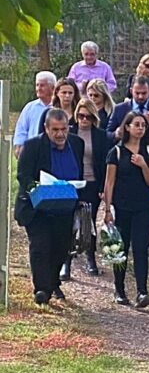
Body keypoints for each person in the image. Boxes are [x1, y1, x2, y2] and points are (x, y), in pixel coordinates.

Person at [15, 109, 85, 304]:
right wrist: (38, 189)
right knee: (40, 247)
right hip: (38, 208)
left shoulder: (77, 144)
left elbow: (80, 172)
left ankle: (53, 282)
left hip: (64, 207)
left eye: (63, 129)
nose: (60, 134)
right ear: (46, 128)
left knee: (61, 248)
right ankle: (42, 290)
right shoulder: (33, 146)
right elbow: (23, 176)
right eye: (55, 130)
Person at [104, 111, 149, 307]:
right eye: (136, 125)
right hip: (123, 207)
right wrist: (108, 209)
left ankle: (142, 291)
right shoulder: (116, 152)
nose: (140, 128)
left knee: (141, 248)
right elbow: (109, 183)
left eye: (143, 125)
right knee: (121, 248)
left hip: (143, 206)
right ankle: (119, 290)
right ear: (127, 127)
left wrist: (143, 165)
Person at [70, 98, 111, 277]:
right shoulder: (70, 132)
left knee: (90, 221)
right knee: (70, 220)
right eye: (80, 116)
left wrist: (103, 187)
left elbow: (104, 163)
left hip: (92, 182)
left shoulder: (101, 136)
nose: (84, 120)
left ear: (93, 117)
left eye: (87, 116)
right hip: (73, 183)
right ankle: (67, 259)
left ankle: (90, 257)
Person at [14, 72, 56, 158]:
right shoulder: (30, 107)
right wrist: (19, 146)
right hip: (31, 151)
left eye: (42, 85)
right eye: (37, 85)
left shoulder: (57, 107)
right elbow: (21, 128)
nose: (38, 88)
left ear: (52, 88)